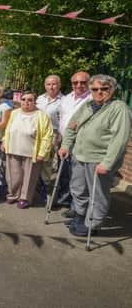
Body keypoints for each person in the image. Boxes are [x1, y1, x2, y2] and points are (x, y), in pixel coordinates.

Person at [58, 75, 132, 236]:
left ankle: (93, 223)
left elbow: (119, 139)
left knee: (97, 194)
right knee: (77, 189)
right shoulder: (87, 105)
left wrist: (107, 163)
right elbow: (72, 126)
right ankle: (80, 216)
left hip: (99, 159)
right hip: (79, 155)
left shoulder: (119, 108)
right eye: (95, 89)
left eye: (104, 89)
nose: (99, 92)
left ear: (112, 90)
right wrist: (66, 145)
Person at [2, 91, 53, 209]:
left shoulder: (42, 116)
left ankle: (24, 198)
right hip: (13, 149)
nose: (26, 102)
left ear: (35, 102)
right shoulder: (14, 113)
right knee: (13, 176)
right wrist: (4, 141)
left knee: (29, 177)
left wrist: (42, 153)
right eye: (24, 99)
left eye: (30, 100)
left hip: (31, 152)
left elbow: (47, 136)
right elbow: (7, 129)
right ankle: (13, 195)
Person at [55, 71, 91, 216]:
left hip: (79, 142)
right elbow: (62, 118)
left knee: (77, 176)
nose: (79, 85)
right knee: (63, 171)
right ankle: (64, 198)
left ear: (88, 83)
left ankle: (76, 206)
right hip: (64, 139)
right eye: (75, 82)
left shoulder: (90, 99)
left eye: (82, 82)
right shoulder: (66, 98)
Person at [36, 75, 64, 184]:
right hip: (37, 132)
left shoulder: (64, 100)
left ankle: (45, 183)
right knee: (36, 157)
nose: (51, 87)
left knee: (47, 159)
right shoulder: (39, 98)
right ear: (45, 85)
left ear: (59, 85)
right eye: (48, 84)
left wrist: (60, 137)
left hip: (53, 133)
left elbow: (63, 120)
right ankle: (35, 181)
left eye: (54, 84)